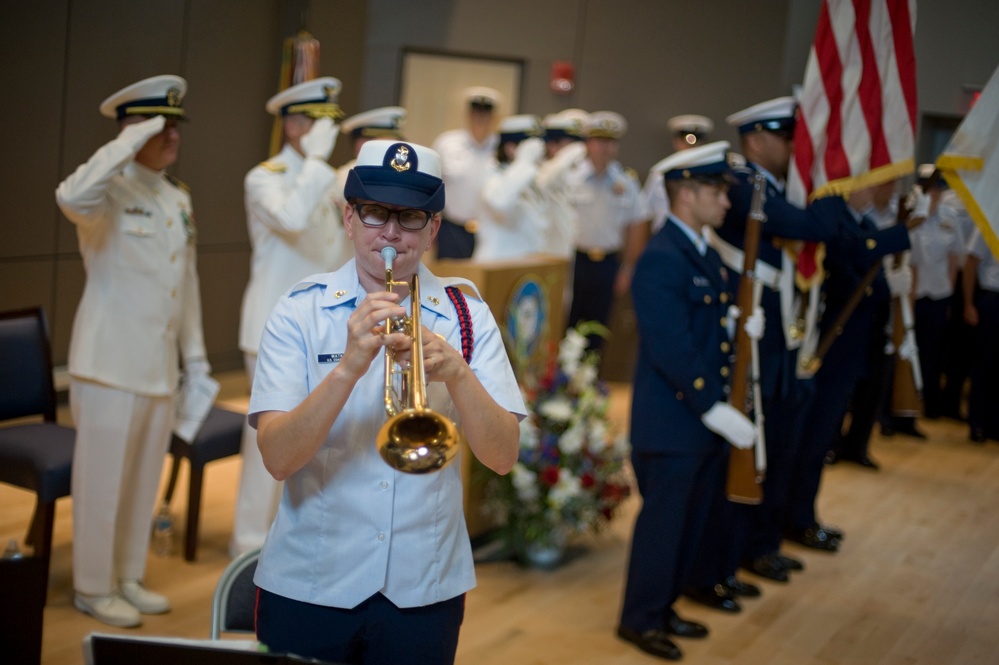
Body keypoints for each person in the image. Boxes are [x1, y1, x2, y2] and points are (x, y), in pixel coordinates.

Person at [248, 139, 525, 664]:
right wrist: (349, 366)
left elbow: (503, 456)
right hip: (312, 582)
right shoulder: (299, 312)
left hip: (424, 587)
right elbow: (278, 459)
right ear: (349, 219)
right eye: (376, 213)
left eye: (411, 217)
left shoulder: (467, 314)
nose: (392, 233)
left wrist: (458, 375)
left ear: (434, 228)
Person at [55, 75, 209, 627]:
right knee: (101, 483)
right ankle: (93, 588)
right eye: (159, 126)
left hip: (157, 367)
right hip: (109, 365)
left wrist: (195, 359)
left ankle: (127, 575)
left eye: (175, 126)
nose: (173, 136)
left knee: (141, 480)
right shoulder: (106, 191)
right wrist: (123, 144)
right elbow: (69, 195)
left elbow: (184, 284)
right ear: (132, 126)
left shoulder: (176, 197)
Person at [618, 141, 759, 662]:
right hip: (671, 422)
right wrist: (711, 405)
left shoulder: (699, 250)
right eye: (717, 193)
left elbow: (706, 335)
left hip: (697, 420)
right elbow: (670, 345)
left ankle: (667, 606)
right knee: (664, 528)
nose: (725, 203)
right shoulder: (661, 257)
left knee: (691, 524)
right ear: (687, 195)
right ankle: (640, 619)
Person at [707, 97, 843, 584]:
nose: (795, 148)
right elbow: (811, 227)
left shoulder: (775, 186)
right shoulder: (744, 187)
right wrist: (835, 183)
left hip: (778, 334)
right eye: (788, 138)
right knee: (751, 444)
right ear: (757, 139)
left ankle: (760, 544)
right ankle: (735, 551)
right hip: (750, 339)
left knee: (778, 443)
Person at [232, 77, 354, 557]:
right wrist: (319, 164)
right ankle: (247, 549)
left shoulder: (325, 177)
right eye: (316, 122)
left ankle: (295, 545)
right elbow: (292, 219)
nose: (326, 132)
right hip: (271, 327)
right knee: (268, 446)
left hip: (324, 327)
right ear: (295, 124)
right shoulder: (266, 177)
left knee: (317, 442)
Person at [566, 111, 650, 348]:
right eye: (600, 141)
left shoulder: (626, 182)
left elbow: (638, 224)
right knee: (567, 322)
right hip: (574, 261)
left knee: (598, 327)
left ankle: (589, 380)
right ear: (588, 144)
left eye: (611, 142)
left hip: (607, 264)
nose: (606, 148)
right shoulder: (571, 178)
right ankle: (560, 382)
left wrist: (628, 268)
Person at [432, 86, 502, 259]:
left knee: (486, 283)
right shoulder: (447, 144)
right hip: (452, 229)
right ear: (467, 114)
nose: (480, 118)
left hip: (492, 231)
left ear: (493, 117)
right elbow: (432, 186)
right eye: (475, 113)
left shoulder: (501, 148)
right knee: (449, 280)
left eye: (485, 114)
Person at [473, 114, 550, 260]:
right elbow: (499, 202)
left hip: (526, 264)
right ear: (510, 148)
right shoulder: (492, 172)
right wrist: (524, 161)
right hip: (498, 263)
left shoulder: (528, 175)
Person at [641, 114, 714, 234]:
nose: (691, 147)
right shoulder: (659, 175)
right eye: (685, 141)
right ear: (675, 142)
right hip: (666, 241)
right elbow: (646, 215)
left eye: (697, 141)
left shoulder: (712, 176)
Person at [332, 105, 408, 214]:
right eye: (387, 142)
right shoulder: (345, 178)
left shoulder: (400, 174)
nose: (397, 147)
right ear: (361, 144)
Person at [962, 225, 999, 443]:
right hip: (992, 297)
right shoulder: (990, 221)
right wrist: (969, 303)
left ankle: (995, 424)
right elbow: (970, 263)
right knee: (985, 363)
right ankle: (977, 423)